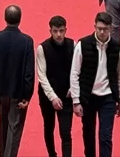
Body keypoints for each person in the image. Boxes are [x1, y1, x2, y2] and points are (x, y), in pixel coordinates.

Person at [72, 11, 120, 157]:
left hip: (108, 98)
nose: (102, 32)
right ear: (94, 26)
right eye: (99, 28)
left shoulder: (117, 48)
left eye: (105, 29)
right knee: (88, 134)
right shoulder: (82, 45)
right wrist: (76, 100)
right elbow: (74, 73)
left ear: (111, 29)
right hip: (88, 97)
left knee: (106, 137)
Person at [0, 5, 35, 157]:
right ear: (20, 19)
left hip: (0, 93)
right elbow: (29, 72)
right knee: (14, 128)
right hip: (18, 93)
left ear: (5, 18)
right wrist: (27, 96)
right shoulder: (26, 41)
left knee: (3, 125)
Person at [37, 15, 76, 157]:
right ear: (50, 31)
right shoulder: (42, 48)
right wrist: (52, 97)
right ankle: (52, 154)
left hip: (67, 95)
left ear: (66, 30)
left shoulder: (73, 45)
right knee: (49, 127)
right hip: (47, 96)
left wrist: (73, 88)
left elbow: (76, 69)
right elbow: (42, 75)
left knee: (66, 132)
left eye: (61, 31)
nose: (58, 34)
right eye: (55, 31)